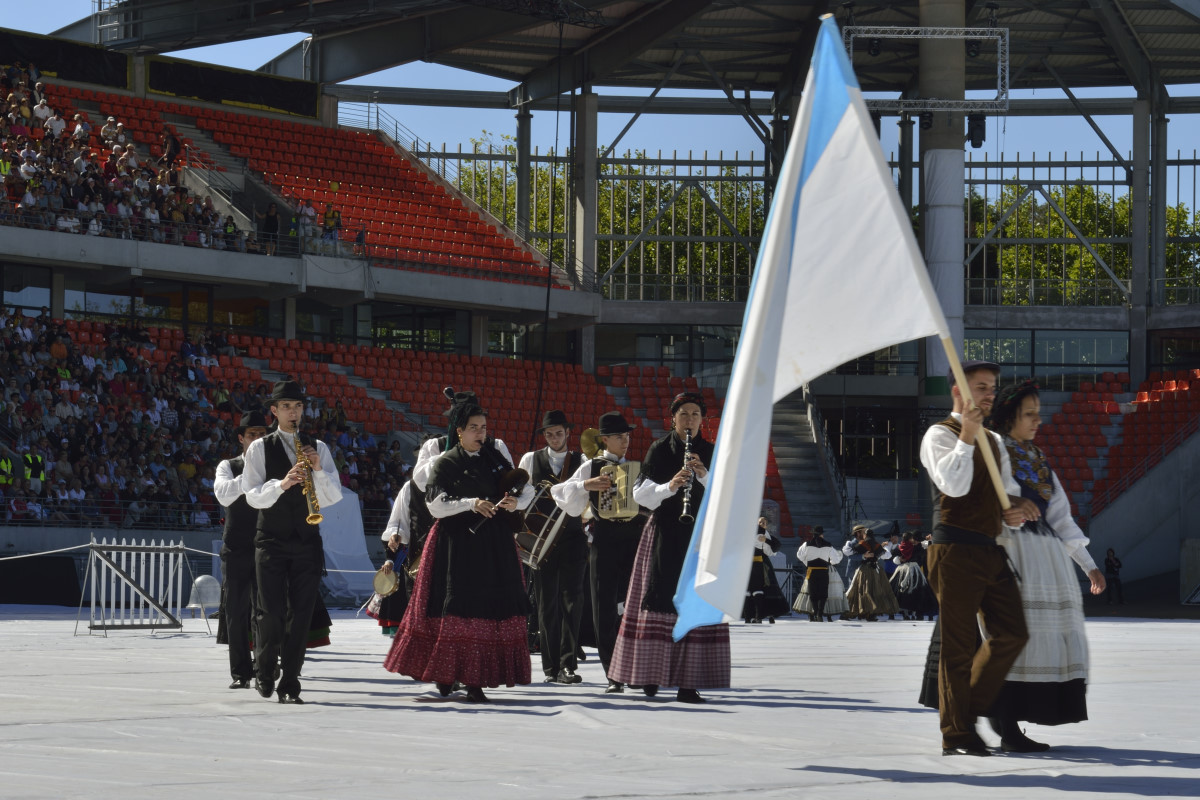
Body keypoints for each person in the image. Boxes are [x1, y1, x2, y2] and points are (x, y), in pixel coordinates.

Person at [918, 359, 1038, 757]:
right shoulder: (939, 434)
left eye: (992, 388)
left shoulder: (995, 441)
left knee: (1012, 633)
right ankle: (956, 734)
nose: (990, 394)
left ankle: (965, 711)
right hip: (952, 549)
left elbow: (1003, 496)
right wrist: (967, 435)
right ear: (958, 391)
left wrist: (1015, 508)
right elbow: (953, 486)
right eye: (982, 387)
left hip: (989, 547)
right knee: (957, 647)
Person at [383, 395, 534, 703]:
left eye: (484, 428)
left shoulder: (495, 457)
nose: (481, 433)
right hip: (455, 545)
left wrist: (514, 502)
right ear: (459, 431)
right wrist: (471, 503)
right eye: (474, 428)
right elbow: (435, 504)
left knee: (485, 608)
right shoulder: (447, 461)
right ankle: (446, 673)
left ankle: (475, 680)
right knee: (455, 608)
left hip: (493, 544)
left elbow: (525, 487)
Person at [983, 380, 1106, 752]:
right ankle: (1005, 724)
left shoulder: (1037, 457)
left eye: (1038, 413)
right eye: (1030, 414)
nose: (1038, 420)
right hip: (1009, 550)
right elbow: (981, 500)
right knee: (1012, 636)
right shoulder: (991, 449)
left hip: (1045, 559)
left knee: (1039, 639)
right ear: (1009, 417)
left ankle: (1011, 723)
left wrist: (1088, 565)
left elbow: (1060, 517)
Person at [608, 392, 729, 704]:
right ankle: (650, 676)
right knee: (657, 599)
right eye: (683, 414)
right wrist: (670, 486)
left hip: (699, 536)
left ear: (702, 420)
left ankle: (688, 684)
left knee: (693, 601)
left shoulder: (711, 451)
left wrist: (703, 475)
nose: (689, 419)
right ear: (673, 419)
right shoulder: (660, 448)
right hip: (663, 532)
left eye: (695, 414)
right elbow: (640, 495)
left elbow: (725, 495)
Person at [242, 381, 343, 704]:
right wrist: (283, 483)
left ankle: (291, 680)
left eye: (298, 406)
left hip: (306, 540)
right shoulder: (260, 448)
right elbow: (252, 495)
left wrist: (318, 470)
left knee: (301, 614)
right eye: (286, 406)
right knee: (270, 612)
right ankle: (264, 668)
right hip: (270, 539)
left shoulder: (318, 447)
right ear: (274, 411)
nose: (293, 412)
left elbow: (333, 497)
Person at [551, 411, 644, 693]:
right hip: (604, 539)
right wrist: (586, 485)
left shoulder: (636, 468)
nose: (625, 441)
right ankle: (613, 673)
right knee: (604, 607)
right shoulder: (591, 466)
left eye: (626, 436)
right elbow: (559, 492)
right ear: (604, 439)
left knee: (632, 606)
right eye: (618, 436)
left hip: (633, 539)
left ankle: (633, 667)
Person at [519, 409, 587, 685]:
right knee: (546, 603)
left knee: (573, 601)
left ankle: (568, 665)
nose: (554, 438)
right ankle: (550, 666)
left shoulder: (583, 460)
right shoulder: (530, 459)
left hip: (573, 537)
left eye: (559, 433)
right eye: (549, 434)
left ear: (568, 433)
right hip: (541, 542)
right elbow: (521, 497)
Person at [213, 410, 269, 689]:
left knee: (265, 612)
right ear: (241, 439)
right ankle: (240, 673)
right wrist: (250, 473)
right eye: (251, 435)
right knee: (235, 612)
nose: (257, 439)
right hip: (236, 547)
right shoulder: (228, 465)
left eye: (261, 434)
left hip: (266, 545)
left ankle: (263, 668)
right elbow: (223, 495)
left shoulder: (275, 467)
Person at [844, 525, 901, 621]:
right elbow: (851, 556)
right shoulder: (852, 543)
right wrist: (864, 555)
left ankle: (864, 613)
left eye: (864, 532)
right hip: (856, 570)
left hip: (864, 570)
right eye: (862, 532)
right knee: (857, 591)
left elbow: (877, 553)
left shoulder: (864, 543)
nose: (863, 534)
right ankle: (857, 612)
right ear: (858, 533)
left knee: (864, 591)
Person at [743, 516, 789, 624]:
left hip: (757, 563)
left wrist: (766, 541)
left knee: (758, 590)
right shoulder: (763, 533)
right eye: (760, 522)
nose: (762, 524)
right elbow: (771, 551)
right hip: (759, 563)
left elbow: (771, 549)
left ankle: (755, 616)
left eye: (764, 523)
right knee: (761, 589)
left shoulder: (751, 532)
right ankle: (756, 616)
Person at [795, 526, 845, 622]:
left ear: (813, 534)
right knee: (823, 594)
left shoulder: (807, 544)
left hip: (811, 571)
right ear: (822, 534)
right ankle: (820, 614)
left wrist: (807, 562)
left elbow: (800, 556)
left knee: (813, 593)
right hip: (823, 570)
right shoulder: (828, 545)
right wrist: (830, 561)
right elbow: (836, 559)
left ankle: (815, 612)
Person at [890, 530, 938, 621]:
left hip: (904, 571)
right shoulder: (916, 547)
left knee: (901, 591)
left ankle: (903, 612)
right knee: (918, 592)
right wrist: (928, 540)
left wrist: (899, 559)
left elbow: (894, 555)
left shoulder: (902, 547)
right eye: (912, 538)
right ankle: (916, 613)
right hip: (914, 571)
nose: (914, 540)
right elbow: (927, 548)